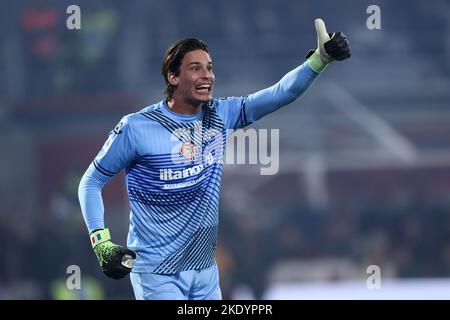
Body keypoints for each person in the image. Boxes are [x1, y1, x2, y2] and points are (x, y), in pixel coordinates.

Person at [78, 18, 350, 300]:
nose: (207, 75)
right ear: (173, 77)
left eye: (209, 68)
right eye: (195, 68)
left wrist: (319, 60)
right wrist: (101, 241)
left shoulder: (220, 114)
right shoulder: (137, 127)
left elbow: (281, 93)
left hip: (205, 273)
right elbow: (91, 181)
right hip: (157, 274)